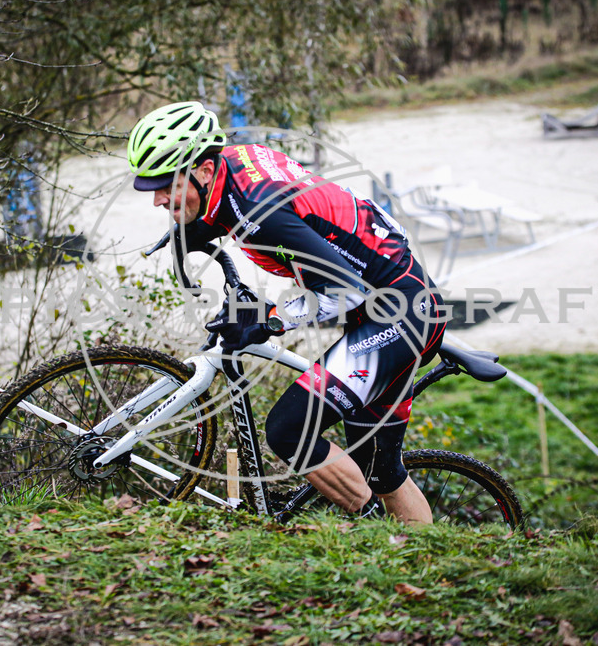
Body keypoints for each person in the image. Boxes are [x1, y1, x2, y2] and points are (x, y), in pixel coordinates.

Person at [126, 101, 447, 524]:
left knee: (289, 430)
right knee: (381, 471)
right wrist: (197, 227)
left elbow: (342, 290)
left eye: (167, 184)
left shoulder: (262, 212)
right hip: (384, 304)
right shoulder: (230, 166)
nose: (158, 199)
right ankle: (411, 549)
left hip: (399, 315)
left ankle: (373, 533)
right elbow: (241, 209)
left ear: (204, 170)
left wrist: (269, 319)